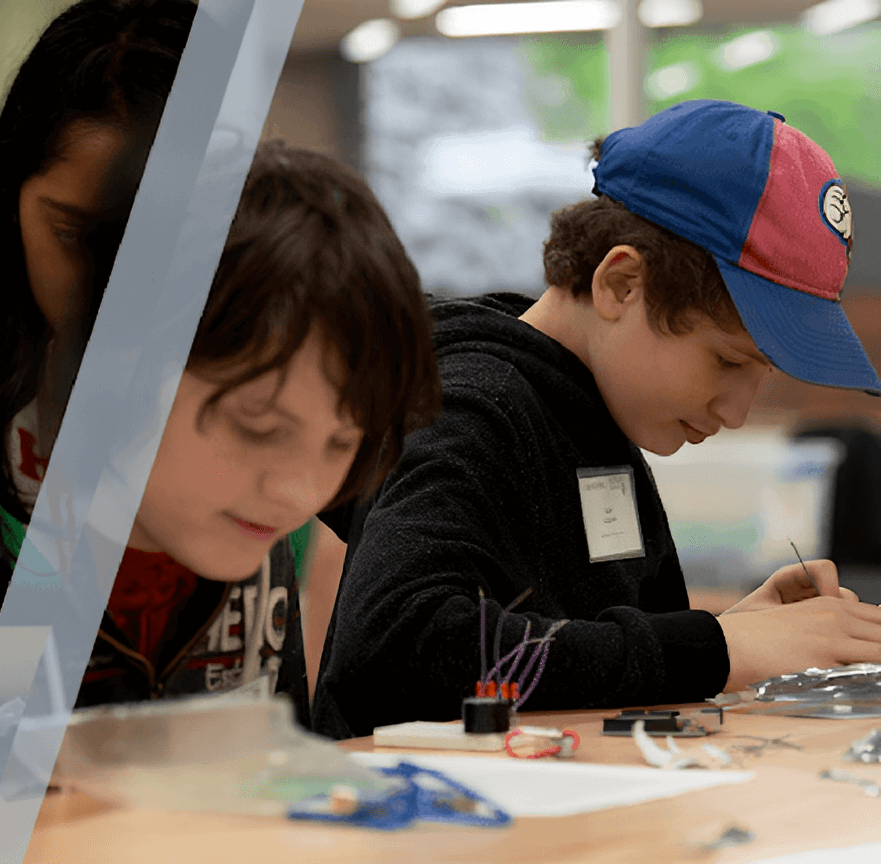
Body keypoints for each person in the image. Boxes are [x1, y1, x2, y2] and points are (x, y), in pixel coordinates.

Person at [0, 140, 441, 725]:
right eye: (257, 426)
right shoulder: (12, 504)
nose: (298, 488)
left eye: (341, 442)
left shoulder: (263, 515)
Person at [313, 100, 881, 739]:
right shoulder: (479, 408)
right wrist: (717, 649)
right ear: (621, 284)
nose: (737, 409)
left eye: (762, 373)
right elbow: (398, 644)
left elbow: (590, 651)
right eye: (726, 361)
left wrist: (742, 631)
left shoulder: (597, 418)